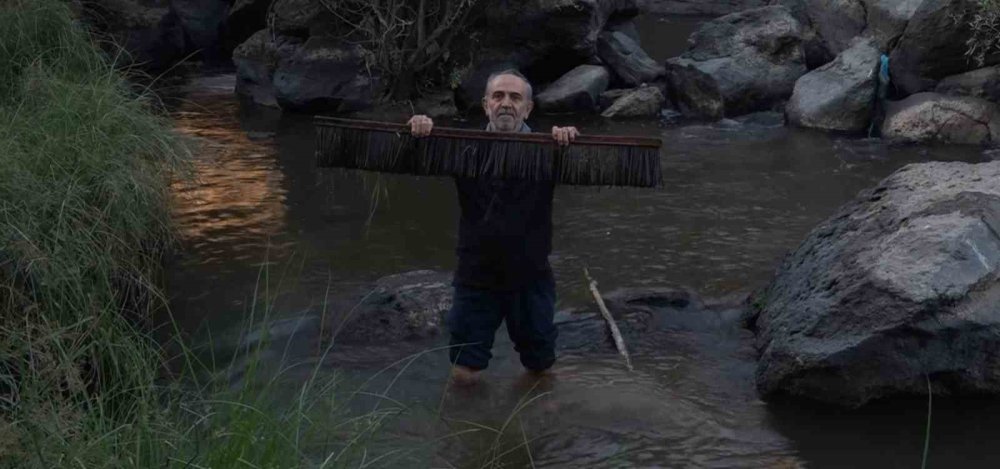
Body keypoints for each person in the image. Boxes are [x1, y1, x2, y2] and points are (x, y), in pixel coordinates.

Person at [407, 70, 578, 385]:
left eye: (515, 98)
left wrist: (567, 138)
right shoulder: (463, 149)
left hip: (531, 278)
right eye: (498, 96)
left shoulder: (549, 151)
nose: (506, 104)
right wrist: (420, 131)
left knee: (541, 370)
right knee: (464, 374)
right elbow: (414, 158)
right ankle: (469, 429)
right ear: (485, 105)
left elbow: (583, 160)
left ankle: (541, 429)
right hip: (476, 278)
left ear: (528, 109)